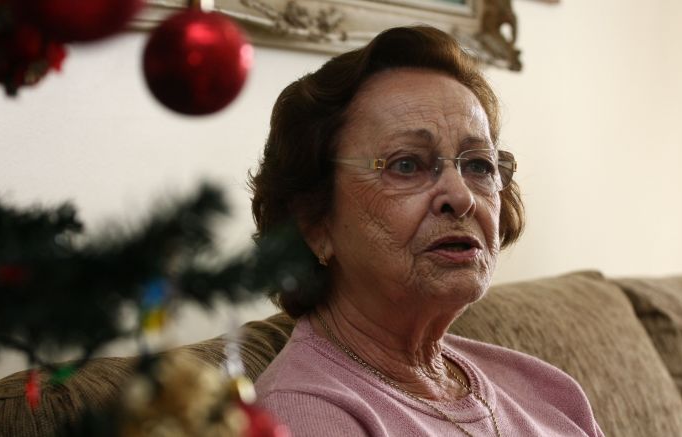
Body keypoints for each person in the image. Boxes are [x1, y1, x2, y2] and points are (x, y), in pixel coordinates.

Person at [249, 25, 603, 436]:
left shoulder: (549, 390)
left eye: (478, 165)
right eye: (407, 165)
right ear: (314, 223)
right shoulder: (300, 416)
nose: (462, 197)